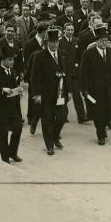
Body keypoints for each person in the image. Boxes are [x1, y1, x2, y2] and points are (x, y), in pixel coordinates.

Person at [31, 27, 69, 155]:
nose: (55, 45)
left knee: (62, 117)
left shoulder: (63, 54)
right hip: (45, 94)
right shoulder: (40, 56)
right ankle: (49, 145)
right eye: (52, 42)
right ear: (47, 43)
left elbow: (66, 74)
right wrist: (36, 94)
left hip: (60, 93)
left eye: (57, 42)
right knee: (47, 120)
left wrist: (68, 92)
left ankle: (55, 136)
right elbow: (34, 77)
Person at [80, 24, 111, 145]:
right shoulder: (88, 54)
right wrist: (84, 89)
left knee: (108, 112)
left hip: (110, 89)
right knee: (98, 113)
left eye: (105, 40)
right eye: (101, 40)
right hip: (95, 89)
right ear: (96, 41)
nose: (103, 42)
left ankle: (103, 126)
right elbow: (84, 72)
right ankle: (100, 134)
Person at [0, 47, 24, 164]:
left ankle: (12, 152)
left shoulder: (12, 71)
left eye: (13, 60)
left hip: (13, 107)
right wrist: (2, 90)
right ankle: (5, 158)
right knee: (2, 134)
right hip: (1, 109)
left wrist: (19, 91)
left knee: (18, 128)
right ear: (2, 60)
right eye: (9, 60)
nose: (12, 62)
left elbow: (14, 86)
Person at [58, 21, 87, 124]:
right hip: (64, 72)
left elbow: (80, 56)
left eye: (72, 30)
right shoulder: (60, 42)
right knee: (64, 95)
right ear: (64, 30)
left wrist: (78, 66)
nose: (70, 32)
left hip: (74, 72)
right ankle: (63, 116)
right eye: (68, 30)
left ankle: (81, 117)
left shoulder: (77, 41)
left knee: (76, 94)